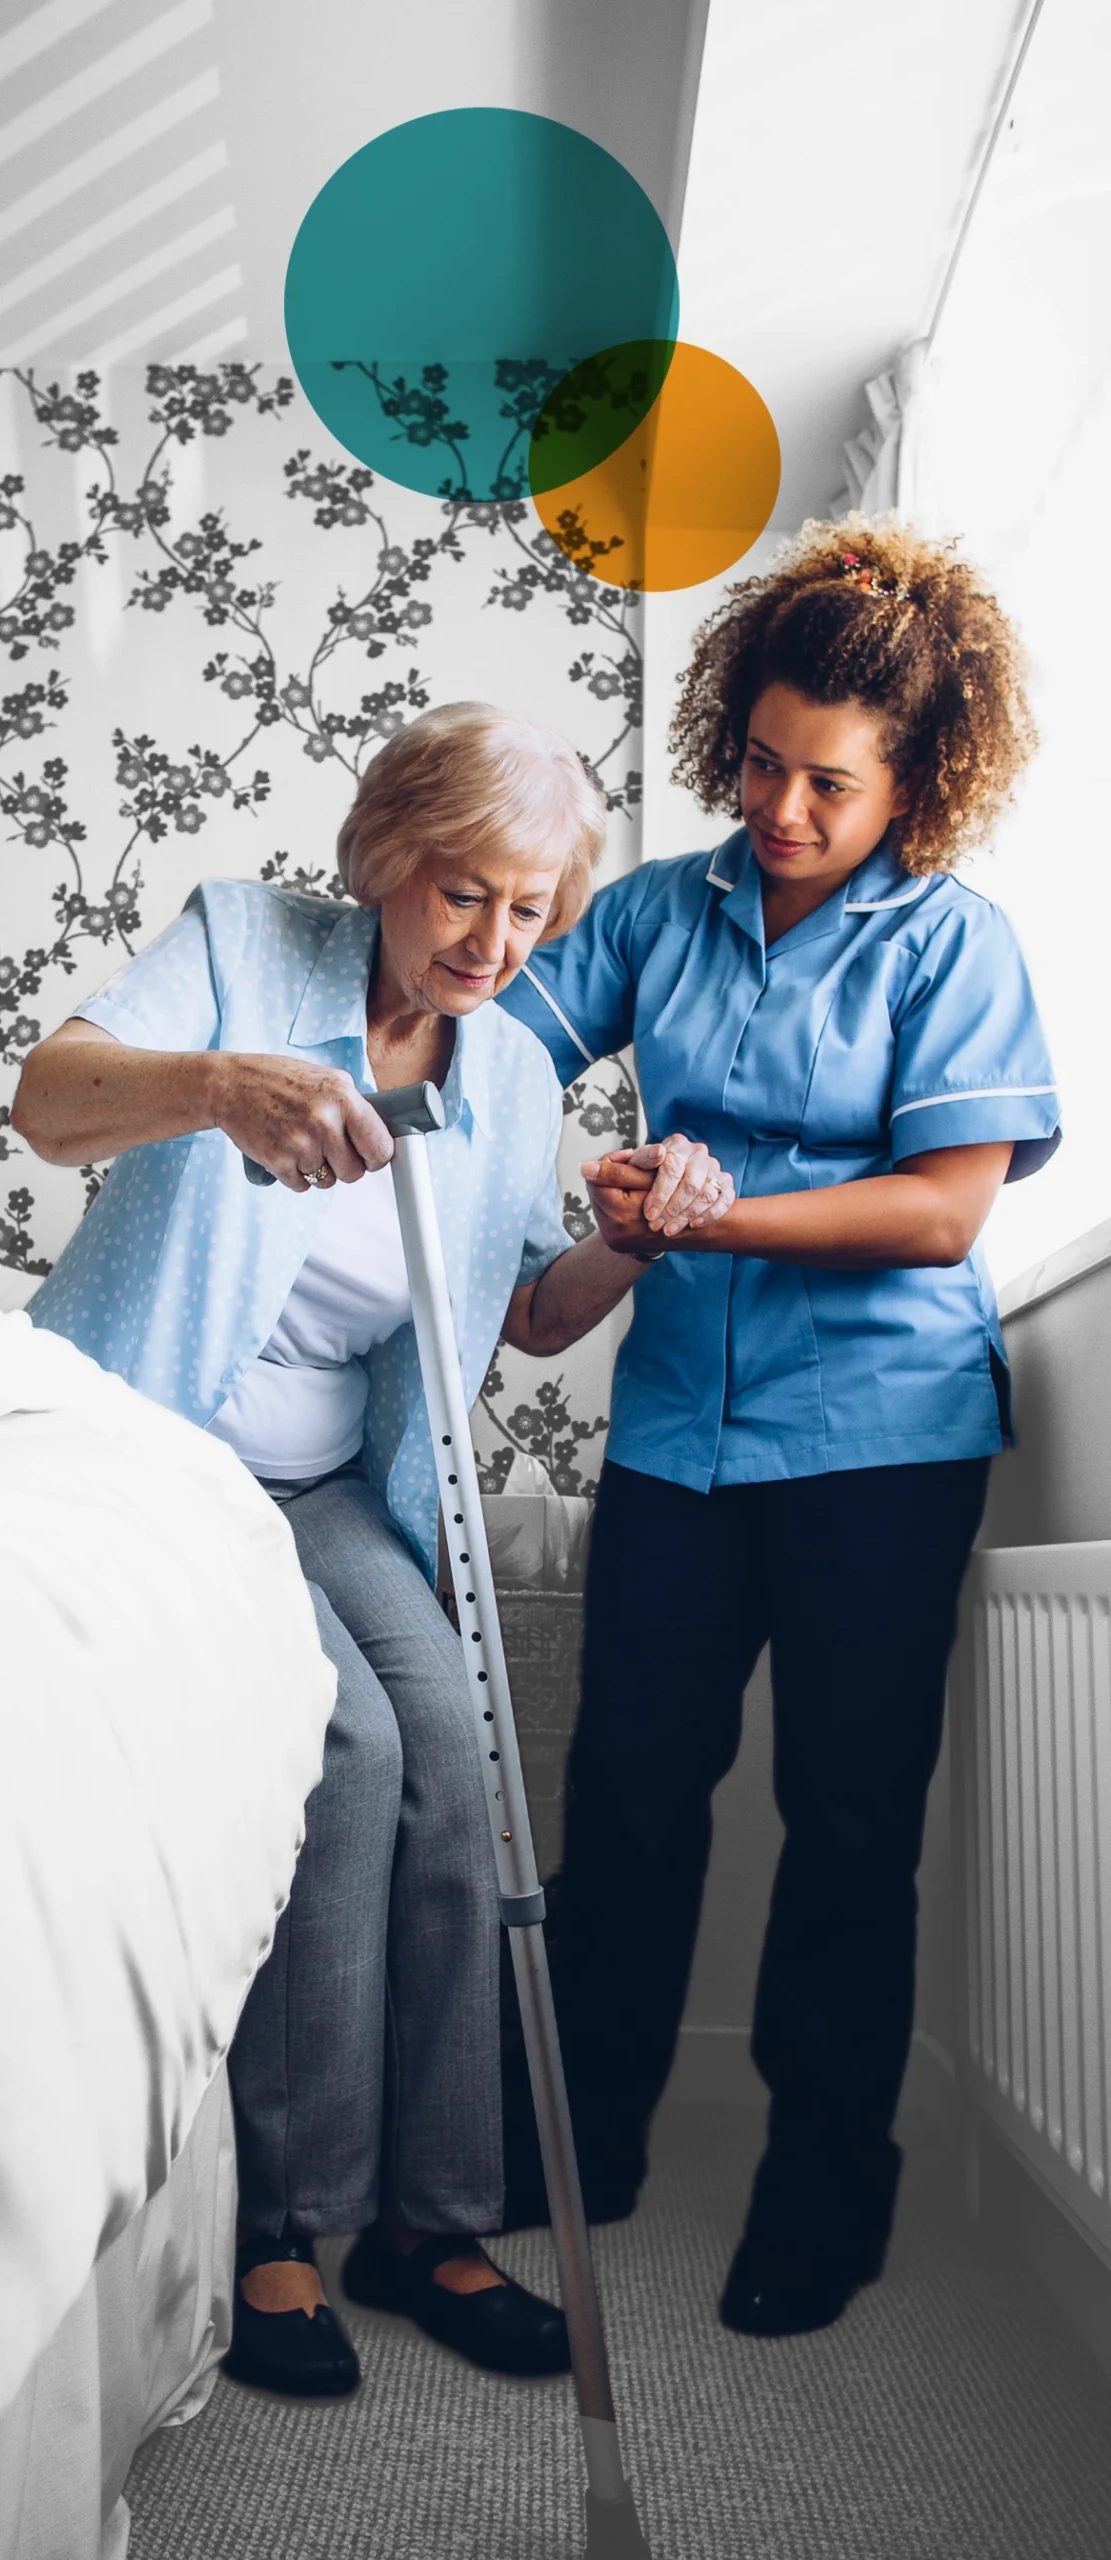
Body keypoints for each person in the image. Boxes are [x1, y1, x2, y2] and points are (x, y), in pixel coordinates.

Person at [12, 702, 730, 2398]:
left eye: (529, 911)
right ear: (386, 861)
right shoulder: (241, 946)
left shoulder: (513, 1076)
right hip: (156, 1448)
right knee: (342, 1743)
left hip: (336, 1481)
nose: (491, 941)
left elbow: (527, 1317)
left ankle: (432, 2217)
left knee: (463, 1758)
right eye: (461, 893)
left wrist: (626, 1244)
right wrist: (216, 1087)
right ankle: (286, 2219)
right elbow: (51, 1104)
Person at [499, 517, 1058, 2338]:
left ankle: (824, 2196)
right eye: (759, 761)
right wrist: (579, 1178)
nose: (785, 808)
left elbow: (939, 1211)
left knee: (843, 1815)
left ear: (914, 778)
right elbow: (498, 1050)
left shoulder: (952, 942)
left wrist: (702, 1218)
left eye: (828, 780)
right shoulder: (658, 910)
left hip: (885, 1437)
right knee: (632, 1791)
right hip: (677, 1433)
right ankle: (584, 2147)